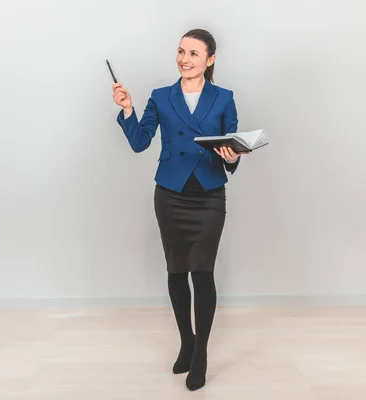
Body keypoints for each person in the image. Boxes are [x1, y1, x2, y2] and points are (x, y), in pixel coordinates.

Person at [111, 28, 247, 391]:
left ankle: (200, 353)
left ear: (210, 59)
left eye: (193, 53)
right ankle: (186, 340)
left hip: (208, 194)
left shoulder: (223, 98)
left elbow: (231, 145)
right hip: (170, 194)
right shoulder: (160, 97)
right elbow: (141, 143)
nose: (185, 59)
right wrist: (128, 109)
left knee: (202, 272)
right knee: (176, 271)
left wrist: (232, 156)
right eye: (181, 51)